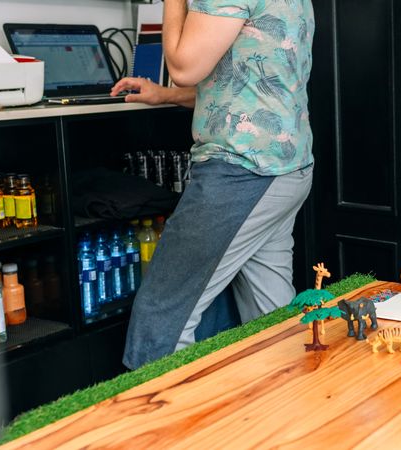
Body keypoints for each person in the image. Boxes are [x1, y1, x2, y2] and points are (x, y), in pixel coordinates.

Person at [121, 0, 315, 369]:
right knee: (271, 319)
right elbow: (243, 81)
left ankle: (161, 406)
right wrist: (163, 94)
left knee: (160, 318)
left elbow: (184, 67)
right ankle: (288, 398)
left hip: (242, 172)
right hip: (285, 171)